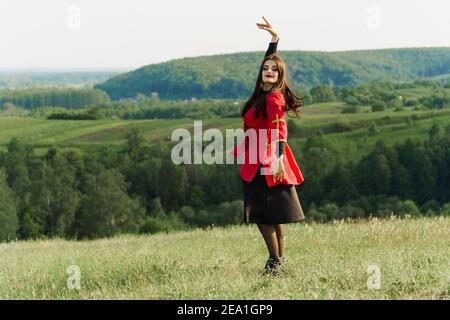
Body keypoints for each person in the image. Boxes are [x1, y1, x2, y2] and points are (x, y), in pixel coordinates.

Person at [231, 17, 306, 276]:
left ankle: (274, 263)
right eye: (266, 68)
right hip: (258, 158)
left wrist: (274, 161)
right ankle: (278, 261)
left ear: (280, 75)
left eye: (274, 69)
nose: (269, 71)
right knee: (272, 214)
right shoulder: (263, 94)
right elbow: (269, 63)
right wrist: (274, 41)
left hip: (265, 161)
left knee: (263, 215)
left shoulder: (273, 98)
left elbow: (279, 130)